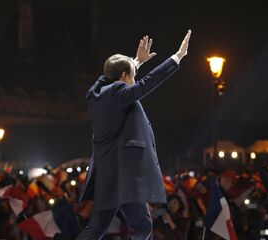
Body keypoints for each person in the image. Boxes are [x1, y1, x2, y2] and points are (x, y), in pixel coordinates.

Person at [77, 30, 192, 240]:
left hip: (106, 174)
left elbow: (109, 74)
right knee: (143, 226)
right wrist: (177, 57)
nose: (134, 79)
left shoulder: (94, 94)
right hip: (124, 175)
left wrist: (135, 62)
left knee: (96, 228)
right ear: (123, 77)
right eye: (132, 75)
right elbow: (147, 83)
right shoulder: (120, 94)